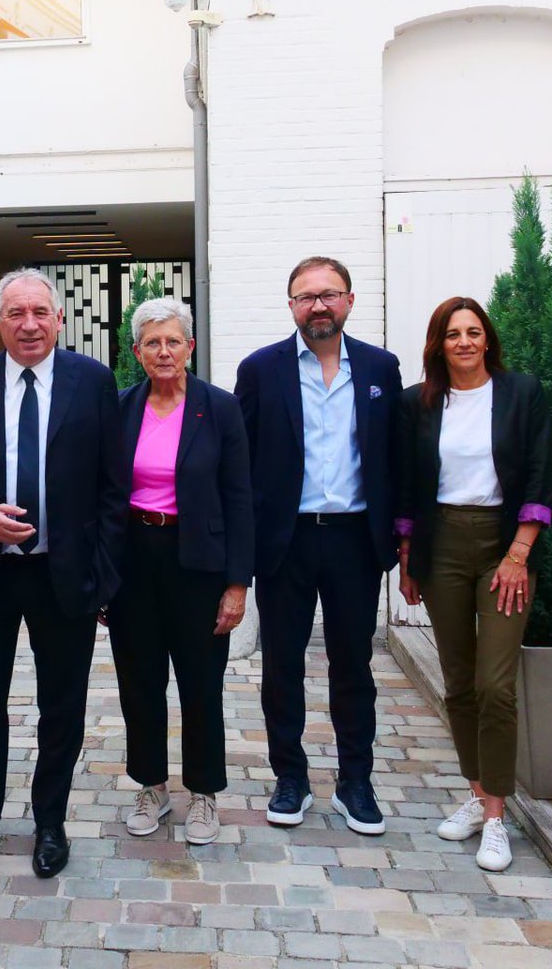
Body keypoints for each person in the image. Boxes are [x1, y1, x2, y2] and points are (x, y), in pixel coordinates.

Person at [0, 268, 125, 881]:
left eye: (40, 311)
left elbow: (112, 485)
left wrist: (102, 574)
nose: (29, 324)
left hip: (62, 575)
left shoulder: (92, 383)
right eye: (15, 313)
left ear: (59, 319)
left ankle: (50, 823)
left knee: (60, 706)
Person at [235, 256, 401, 835]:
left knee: (352, 665)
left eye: (329, 295)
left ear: (350, 301)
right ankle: (292, 777)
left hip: (356, 540)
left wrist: (403, 541)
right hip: (287, 541)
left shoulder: (381, 368)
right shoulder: (261, 370)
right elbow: (242, 462)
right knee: (282, 666)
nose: (319, 306)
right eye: (306, 297)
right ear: (291, 307)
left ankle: (356, 781)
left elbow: (394, 459)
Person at [396, 297, 552, 872]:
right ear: (438, 344)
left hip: (503, 546)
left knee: (496, 685)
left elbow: (540, 471)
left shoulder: (521, 393)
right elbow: (410, 484)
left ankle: (497, 819)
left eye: (473, 332)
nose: (464, 342)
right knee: (459, 682)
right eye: (452, 334)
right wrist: (408, 556)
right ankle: (477, 791)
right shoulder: (418, 403)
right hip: (443, 549)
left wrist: (519, 553)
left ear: (487, 339)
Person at [108, 297, 253, 845]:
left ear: (190, 347)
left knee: (200, 684)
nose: (163, 351)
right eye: (152, 342)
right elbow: (104, 495)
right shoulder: (121, 408)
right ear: (138, 352)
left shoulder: (219, 408)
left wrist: (237, 584)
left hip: (199, 565)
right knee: (139, 682)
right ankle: (151, 786)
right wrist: (103, 575)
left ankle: (204, 794)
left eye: (174, 341)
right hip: (134, 562)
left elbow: (240, 499)